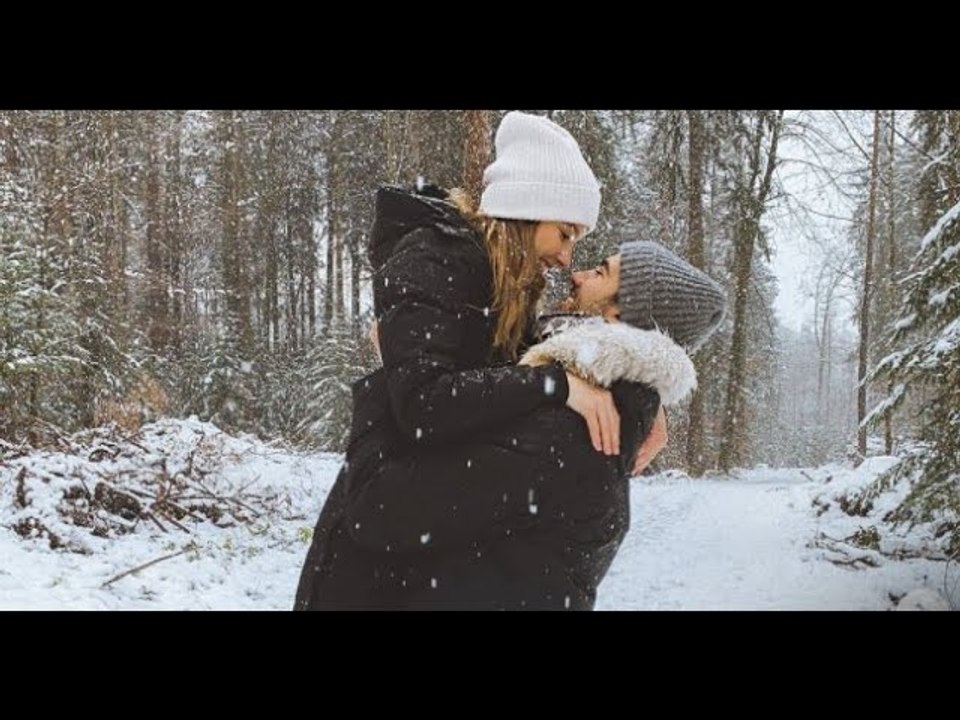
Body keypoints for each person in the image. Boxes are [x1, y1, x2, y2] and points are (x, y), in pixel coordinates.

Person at [293, 239, 726, 610]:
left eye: (600, 272)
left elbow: (379, 507)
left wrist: (393, 378)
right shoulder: (575, 402)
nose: (576, 276)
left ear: (618, 314)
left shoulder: (570, 436)